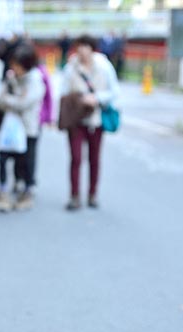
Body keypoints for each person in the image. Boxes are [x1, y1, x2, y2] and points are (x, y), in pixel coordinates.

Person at [61, 35, 119, 210]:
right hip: (76, 119)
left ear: (92, 48)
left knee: (94, 158)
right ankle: (74, 195)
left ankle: (92, 194)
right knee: (76, 158)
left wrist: (97, 98)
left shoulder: (104, 67)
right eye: (79, 46)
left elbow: (114, 91)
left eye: (85, 46)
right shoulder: (70, 68)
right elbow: (63, 93)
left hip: (95, 119)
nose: (82, 50)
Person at [0, 44, 45, 212]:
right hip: (9, 128)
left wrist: (11, 99)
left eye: (17, 65)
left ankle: (27, 190)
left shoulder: (35, 80)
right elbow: (0, 100)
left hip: (28, 128)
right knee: (4, 157)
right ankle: (4, 191)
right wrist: (14, 97)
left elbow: (24, 103)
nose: (14, 68)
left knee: (26, 161)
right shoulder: (12, 78)